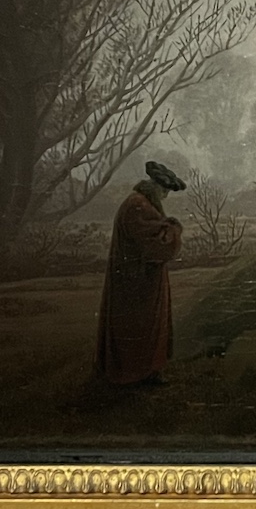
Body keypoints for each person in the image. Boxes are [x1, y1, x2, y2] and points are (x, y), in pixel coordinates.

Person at [95, 161, 186, 385]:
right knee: (137, 325)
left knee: (143, 325)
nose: (165, 197)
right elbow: (157, 242)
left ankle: (146, 372)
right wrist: (174, 229)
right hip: (135, 279)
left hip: (140, 276)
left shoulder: (138, 202)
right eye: (164, 191)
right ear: (156, 187)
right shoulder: (139, 205)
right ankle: (134, 375)